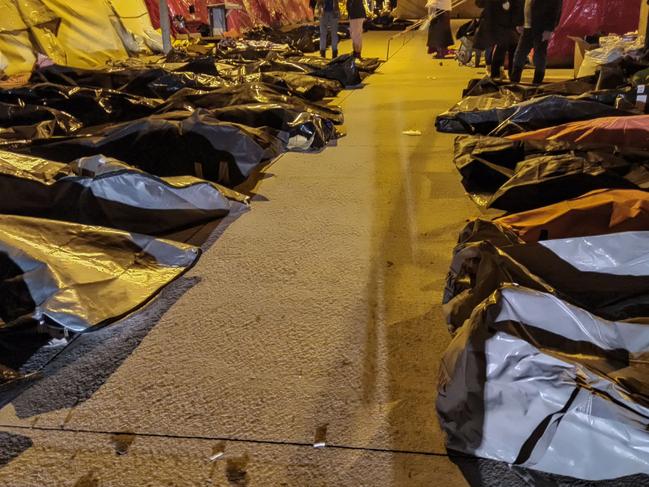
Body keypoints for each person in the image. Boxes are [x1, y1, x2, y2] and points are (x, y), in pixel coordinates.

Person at [509, 0, 563, 84]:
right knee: (520, 54)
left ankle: (537, 83)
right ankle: (514, 81)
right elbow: (523, 4)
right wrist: (520, 22)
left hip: (541, 27)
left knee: (539, 55)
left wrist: (549, 29)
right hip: (527, 27)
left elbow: (555, 8)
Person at [474, 0, 524, 79]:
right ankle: (499, 74)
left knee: (511, 47)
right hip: (499, 21)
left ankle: (505, 75)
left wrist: (520, 21)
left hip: (510, 21)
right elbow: (479, 3)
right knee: (504, 46)